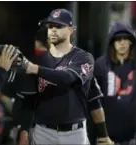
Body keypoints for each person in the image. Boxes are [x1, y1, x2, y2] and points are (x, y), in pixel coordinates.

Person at [13, 9, 113, 145]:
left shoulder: (83, 58)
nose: (53, 30)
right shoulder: (38, 61)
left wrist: (103, 135)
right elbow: (30, 101)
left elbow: (71, 80)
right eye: (50, 26)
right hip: (43, 132)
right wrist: (24, 131)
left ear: (71, 30)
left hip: (74, 133)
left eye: (59, 26)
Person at [95, 23, 136, 144]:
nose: (122, 43)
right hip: (107, 136)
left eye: (125, 39)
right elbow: (94, 101)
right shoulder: (101, 65)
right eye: (118, 39)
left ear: (131, 42)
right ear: (112, 42)